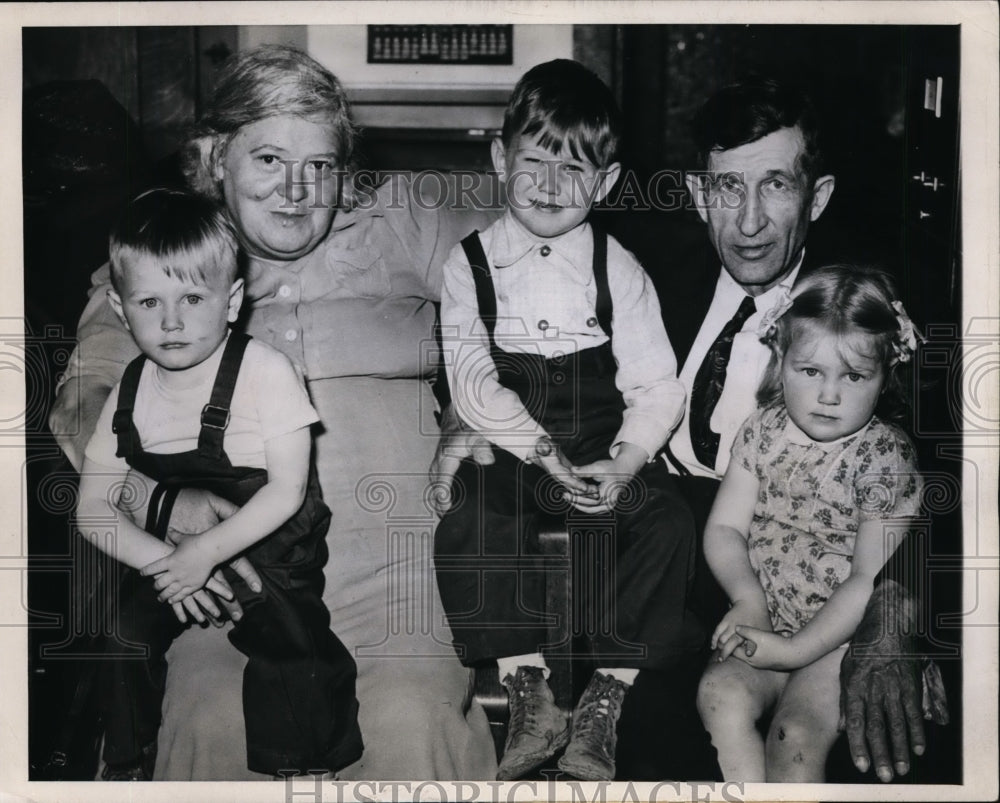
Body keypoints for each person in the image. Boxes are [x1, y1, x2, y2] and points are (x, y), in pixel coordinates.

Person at [431, 76, 949, 782]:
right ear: (701, 192)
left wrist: (896, 605)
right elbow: (508, 326)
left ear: (817, 196)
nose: (749, 221)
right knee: (632, 742)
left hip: (808, 575)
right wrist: (461, 415)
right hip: (651, 560)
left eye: (775, 186)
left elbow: (938, 472)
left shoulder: (860, 308)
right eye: (728, 189)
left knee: (862, 751)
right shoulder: (643, 265)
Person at [50, 45, 500, 781]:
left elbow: (548, 287)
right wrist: (160, 500)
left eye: (320, 165)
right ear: (212, 158)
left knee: (409, 714)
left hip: (402, 557)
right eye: (268, 160)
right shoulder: (173, 251)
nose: (297, 190)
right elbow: (83, 401)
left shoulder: (404, 221)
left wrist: (475, 406)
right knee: (211, 715)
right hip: (240, 560)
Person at [434, 60, 703, 782]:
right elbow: (474, 381)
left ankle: (607, 695)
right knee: (471, 511)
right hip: (515, 442)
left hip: (602, 440)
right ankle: (530, 689)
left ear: (607, 183)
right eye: (535, 161)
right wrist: (545, 456)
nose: (552, 186)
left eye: (576, 169)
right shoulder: (469, 266)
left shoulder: (621, 268)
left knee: (668, 521)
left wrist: (624, 461)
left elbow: (656, 385)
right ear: (499, 159)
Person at [76, 189, 362, 780]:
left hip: (268, 527)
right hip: (173, 547)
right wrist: (169, 565)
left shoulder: (267, 372)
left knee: (289, 635)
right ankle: (127, 763)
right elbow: (94, 509)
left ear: (231, 301)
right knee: (117, 632)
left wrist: (206, 552)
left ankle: (303, 767)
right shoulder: (128, 391)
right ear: (118, 305)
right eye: (149, 300)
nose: (172, 321)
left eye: (192, 298)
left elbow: (287, 492)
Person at [697, 264, 924, 781]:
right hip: (766, 612)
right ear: (781, 360)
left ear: (886, 373)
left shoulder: (884, 457)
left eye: (854, 376)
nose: (829, 395)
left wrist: (797, 649)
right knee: (717, 694)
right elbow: (725, 528)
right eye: (811, 371)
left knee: (794, 737)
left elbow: (869, 579)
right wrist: (747, 598)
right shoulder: (761, 431)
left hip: (838, 640)